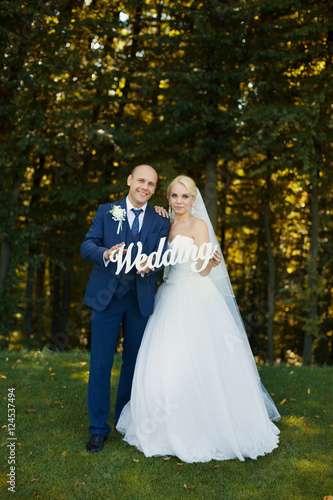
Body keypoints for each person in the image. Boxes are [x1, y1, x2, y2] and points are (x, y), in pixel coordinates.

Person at [116, 175, 280, 463]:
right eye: (174, 196)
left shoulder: (199, 225)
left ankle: (206, 424)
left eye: (185, 197)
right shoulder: (164, 223)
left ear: (193, 200)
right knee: (166, 361)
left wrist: (211, 262)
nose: (179, 201)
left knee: (199, 361)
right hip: (168, 295)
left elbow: (203, 269)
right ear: (167, 199)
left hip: (195, 296)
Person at [81, 164, 170, 453]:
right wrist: (106, 253)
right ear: (130, 180)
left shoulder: (160, 219)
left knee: (133, 363)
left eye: (152, 184)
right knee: (101, 364)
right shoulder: (107, 211)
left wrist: (153, 263)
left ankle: (123, 419)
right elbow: (87, 245)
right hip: (106, 299)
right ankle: (98, 428)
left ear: (155, 189)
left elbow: (165, 253)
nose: (145, 187)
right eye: (141, 180)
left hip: (140, 299)